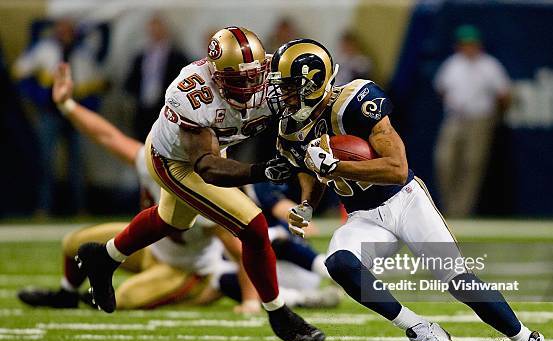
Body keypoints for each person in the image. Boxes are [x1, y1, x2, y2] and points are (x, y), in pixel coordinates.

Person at [267, 38, 553, 341]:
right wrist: (306, 204)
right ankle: (420, 328)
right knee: (340, 264)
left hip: (405, 201)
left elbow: (396, 169)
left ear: (315, 82)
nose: (284, 94)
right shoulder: (291, 128)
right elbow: (309, 170)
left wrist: (337, 166)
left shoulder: (356, 102)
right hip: (363, 216)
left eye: (290, 86)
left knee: (458, 280)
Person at [73, 27, 324, 341]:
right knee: (254, 226)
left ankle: (104, 257)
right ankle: (279, 314)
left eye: (255, 77)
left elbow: (311, 93)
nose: (250, 88)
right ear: (217, 76)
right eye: (239, 80)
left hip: (210, 152)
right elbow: (207, 167)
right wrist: (258, 171)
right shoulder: (193, 93)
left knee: (172, 221)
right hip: (176, 159)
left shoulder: (276, 75)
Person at [18, 63, 339, 312]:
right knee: (75, 242)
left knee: (128, 298)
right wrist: (68, 106)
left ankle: (232, 290)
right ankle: (65, 293)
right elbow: (109, 137)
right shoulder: (158, 155)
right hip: (155, 251)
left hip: (188, 269)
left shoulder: (202, 178)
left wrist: (251, 298)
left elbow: (238, 244)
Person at [12, 18, 109, 216]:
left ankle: (80, 207)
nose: (64, 32)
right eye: (61, 28)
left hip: (75, 112)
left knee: (77, 162)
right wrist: (37, 95)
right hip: (50, 112)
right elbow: (21, 71)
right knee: (46, 161)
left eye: (68, 28)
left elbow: (96, 81)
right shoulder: (44, 50)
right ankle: (43, 207)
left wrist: (88, 103)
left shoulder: (83, 54)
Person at [433, 25, 511, 217]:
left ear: (478, 44)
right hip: (454, 119)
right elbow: (440, 88)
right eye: (464, 44)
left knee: (472, 166)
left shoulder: (489, 65)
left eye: (471, 43)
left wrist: (495, 118)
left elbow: (504, 94)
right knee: (444, 161)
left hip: (479, 121)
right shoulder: (452, 64)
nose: (468, 47)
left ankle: (461, 212)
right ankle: (450, 207)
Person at [125, 15, 189, 141]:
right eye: (152, 28)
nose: (155, 32)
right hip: (143, 110)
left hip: (166, 109)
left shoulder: (177, 56)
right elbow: (131, 81)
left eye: (158, 28)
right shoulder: (141, 56)